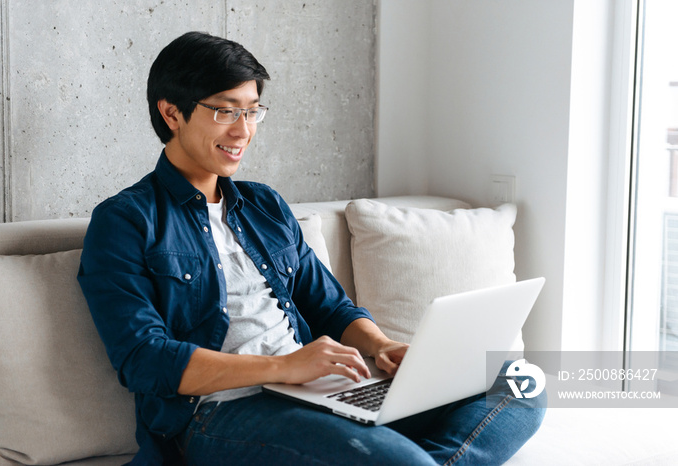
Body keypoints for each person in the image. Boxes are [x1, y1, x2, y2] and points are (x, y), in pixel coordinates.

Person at [78, 31, 545, 465]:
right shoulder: (125, 221)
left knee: (520, 381)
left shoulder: (265, 206)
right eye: (225, 111)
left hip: (319, 391)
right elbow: (144, 359)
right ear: (171, 113)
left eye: (252, 110)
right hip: (219, 415)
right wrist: (285, 366)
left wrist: (383, 347)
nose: (243, 131)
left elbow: (330, 306)